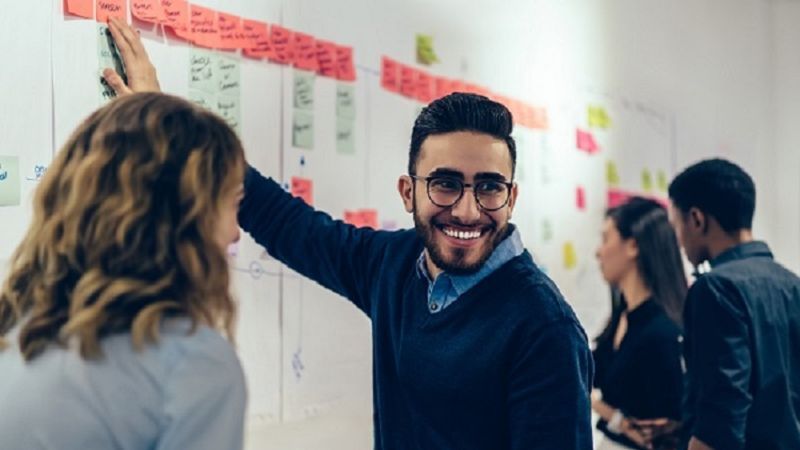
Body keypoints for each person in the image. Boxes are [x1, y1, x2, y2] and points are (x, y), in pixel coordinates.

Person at [102, 17, 594, 449]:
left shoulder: (544, 329)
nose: (467, 210)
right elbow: (289, 224)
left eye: (488, 188)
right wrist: (168, 125)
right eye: (445, 184)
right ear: (408, 191)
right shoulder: (397, 266)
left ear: (511, 197)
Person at [0, 93, 248, 450]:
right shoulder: (193, 365)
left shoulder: (17, 327)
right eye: (231, 204)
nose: (234, 233)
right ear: (182, 219)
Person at [667, 158, 800, 450]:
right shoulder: (792, 284)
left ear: (697, 219)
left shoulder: (715, 288)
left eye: (677, 226)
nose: (679, 242)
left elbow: (722, 412)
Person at [592, 197, 687, 450]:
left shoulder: (663, 331)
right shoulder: (621, 318)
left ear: (632, 246)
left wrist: (611, 415)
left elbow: (663, 430)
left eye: (605, 239)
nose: (598, 252)